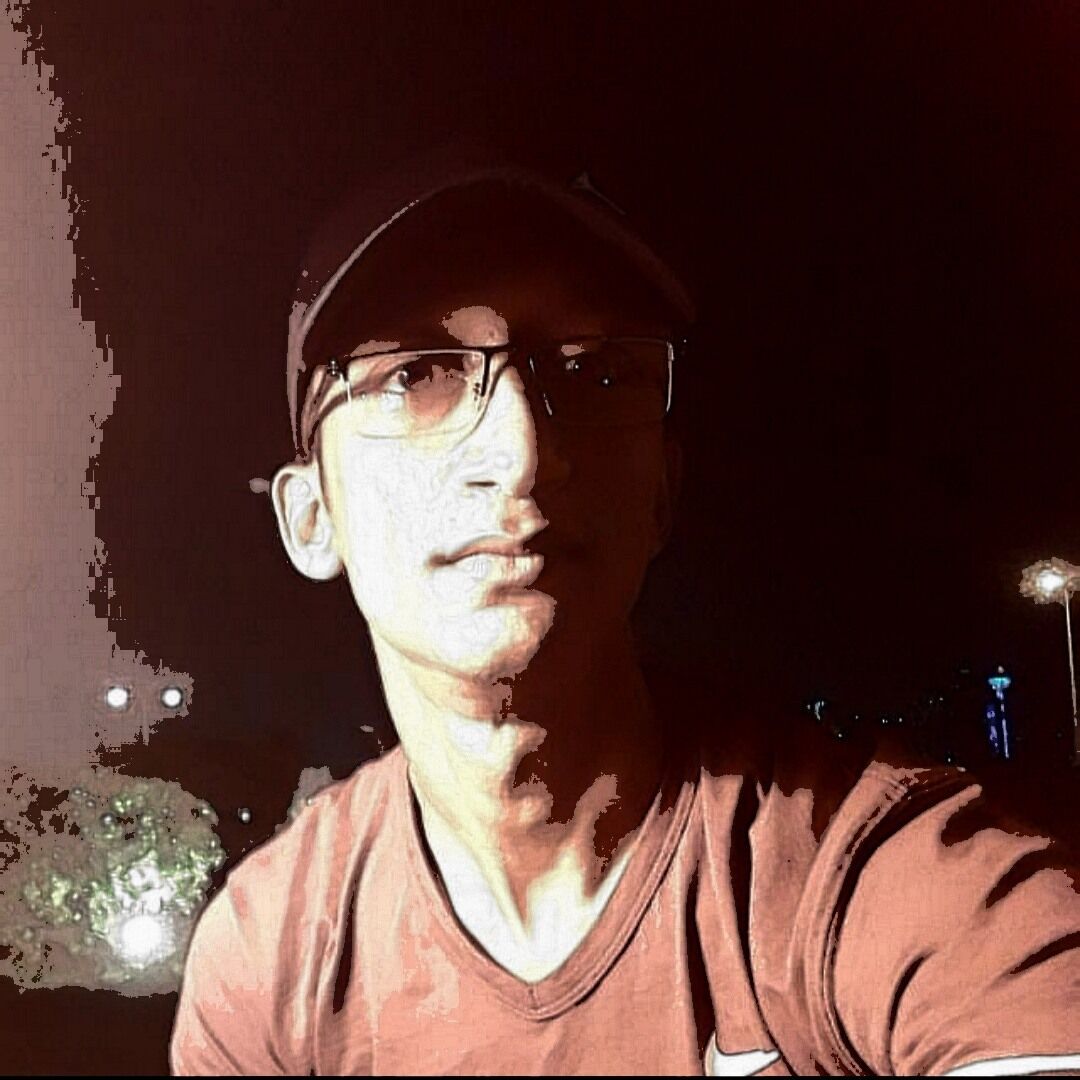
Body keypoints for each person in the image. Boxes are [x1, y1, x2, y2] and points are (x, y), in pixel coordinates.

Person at [170, 165, 1080, 1076]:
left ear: (662, 494)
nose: (522, 454)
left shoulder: (867, 875)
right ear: (311, 518)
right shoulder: (270, 962)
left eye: (597, 371)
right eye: (415, 374)